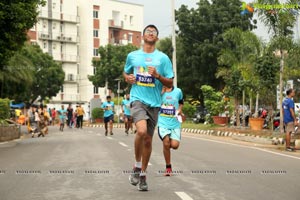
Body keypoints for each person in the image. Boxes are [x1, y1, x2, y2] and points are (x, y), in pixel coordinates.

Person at [123, 24, 174, 191]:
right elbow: (126, 72)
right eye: (148, 31)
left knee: (148, 140)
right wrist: (128, 78)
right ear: (143, 36)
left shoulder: (163, 58)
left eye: (154, 32)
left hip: (154, 104)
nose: (151, 33)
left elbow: (170, 82)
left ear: (157, 38)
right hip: (137, 99)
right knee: (141, 131)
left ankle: (143, 175)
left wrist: (158, 76)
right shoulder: (133, 56)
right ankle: (137, 166)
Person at [158, 86, 184, 176]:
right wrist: (161, 93)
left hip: (175, 123)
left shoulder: (178, 91)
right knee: (166, 142)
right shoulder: (158, 91)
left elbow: (181, 102)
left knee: (174, 145)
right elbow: (154, 103)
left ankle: (166, 148)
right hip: (162, 123)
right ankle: (168, 168)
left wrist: (180, 110)